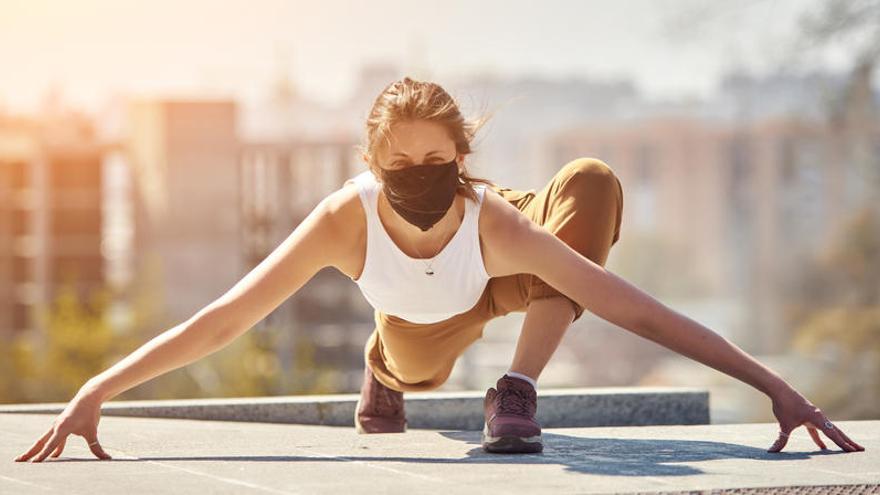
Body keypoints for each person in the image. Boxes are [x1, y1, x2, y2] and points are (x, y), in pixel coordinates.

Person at [14, 77, 865, 463]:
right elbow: (229, 317)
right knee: (417, 367)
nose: (418, 173)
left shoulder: (495, 219)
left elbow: (630, 306)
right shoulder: (344, 220)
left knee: (594, 183)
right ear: (371, 163)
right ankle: (381, 368)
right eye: (400, 162)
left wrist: (772, 384)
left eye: (436, 160)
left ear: (462, 158)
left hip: (504, 261)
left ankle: (515, 391)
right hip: (420, 318)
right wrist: (97, 388)